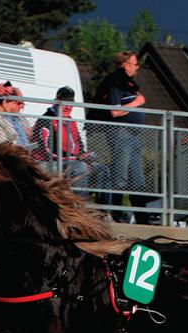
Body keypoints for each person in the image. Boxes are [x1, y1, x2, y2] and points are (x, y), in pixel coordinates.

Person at [92, 51, 148, 224]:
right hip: (121, 134)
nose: (136, 67)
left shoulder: (127, 83)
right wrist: (137, 103)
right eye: (134, 64)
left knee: (137, 180)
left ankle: (143, 219)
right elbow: (115, 111)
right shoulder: (115, 82)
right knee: (121, 177)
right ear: (124, 65)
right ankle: (117, 217)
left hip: (133, 135)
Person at [31, 85, 111, 207]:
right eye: (65, 103)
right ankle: (81, 207)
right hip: (49, 163)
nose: (68, 107)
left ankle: (104, 210)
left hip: (70, 161)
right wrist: (77, 158)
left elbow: (79, 144)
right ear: (56, 101)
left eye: (71, 104)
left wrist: (84, 154)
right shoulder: (46, 119)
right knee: (81, 167)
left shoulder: (70, 120)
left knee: (102, 169)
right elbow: (47, 150)